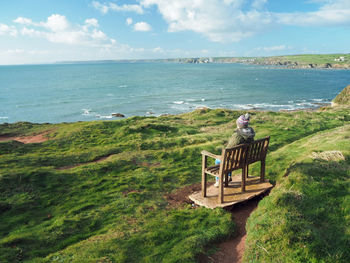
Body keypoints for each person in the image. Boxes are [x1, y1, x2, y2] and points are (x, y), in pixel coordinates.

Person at [214, 113, 255, 187]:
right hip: (245, 158)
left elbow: (228, 149)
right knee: (228, 159)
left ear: (239, 125)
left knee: (218, 160)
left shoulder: (237, 136)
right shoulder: (250, 133)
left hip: (237, 161)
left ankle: (218, 180)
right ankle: (228, 177)